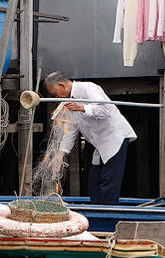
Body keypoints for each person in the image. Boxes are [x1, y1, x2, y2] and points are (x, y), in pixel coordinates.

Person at [45, 71, 137, 204]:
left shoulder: (88, 88)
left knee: (109, 183)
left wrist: (83, 108)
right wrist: (60, 154)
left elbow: (106, 110)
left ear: (62, 85)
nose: (57, 97)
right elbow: (71, 129)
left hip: (115, 137)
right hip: (100, 144)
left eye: (55, 94)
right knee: (94, 183)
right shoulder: (68, 102)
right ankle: (96, 212)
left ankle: (109, 217)